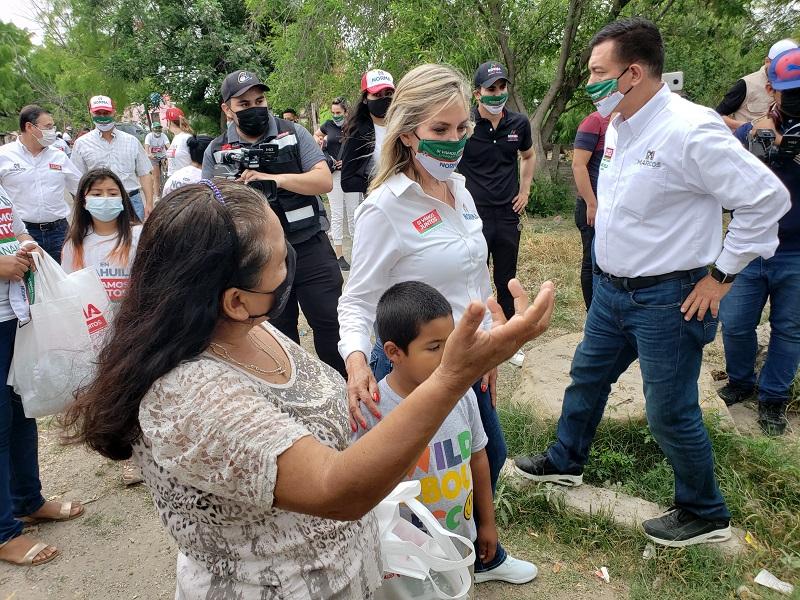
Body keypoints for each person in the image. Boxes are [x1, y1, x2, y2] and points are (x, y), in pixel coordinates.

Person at [61, 178, 555, 598]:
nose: (293, 265)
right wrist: (453, 375)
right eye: (281, 260)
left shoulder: (250, 330)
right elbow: (335, 489)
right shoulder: (191, 395)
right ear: (235, 299)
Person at [514, 18, 791, 548]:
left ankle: (704, 512)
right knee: (586, 376)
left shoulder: (691, 129)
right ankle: (564, 460)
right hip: (612, 292)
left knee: (669, 410)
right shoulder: (621, 123)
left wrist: (721, 276)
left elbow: (767, 200)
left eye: (598, 71)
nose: (589, 81)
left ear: (633, 72)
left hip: (670, 299)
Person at [339, 63, 529, 584]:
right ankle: (418, 571)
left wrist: (489, 339)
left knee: (482, 455)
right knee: (417, 477)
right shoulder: (385, 209)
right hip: (414, 371)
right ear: (408, 134)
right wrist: (356, 362)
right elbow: (356, 301)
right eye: (439, 130)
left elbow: (473, 277)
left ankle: (475, 554)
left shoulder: (461, 191)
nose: (453, 141)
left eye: (461, 128)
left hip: (469, 362)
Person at [356, 281, 538, 595]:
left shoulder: (463, 396)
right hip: (403, 555)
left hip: (458, 539)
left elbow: (478, 459)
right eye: (433, 347)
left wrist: (487, 523)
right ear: (393, 352)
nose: (447, 355)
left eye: (449, 342)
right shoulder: (372, 410)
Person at [202, 70, 346, 376]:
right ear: (227, 108)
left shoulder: (294, 133)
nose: (255, 107)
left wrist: (274, 179)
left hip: (309, 246)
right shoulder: (216, 151)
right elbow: (209, 205)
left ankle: (346, 393)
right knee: (276, 336)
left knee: (331, 323)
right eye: (244, 103)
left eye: (260, 100)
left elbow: (323, 180)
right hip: (258, 255)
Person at [0, 185, 84, 568]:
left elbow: (14, 229)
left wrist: (26, 244)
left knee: (21, 411)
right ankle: (4, 534)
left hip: (13, 314)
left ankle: (27, 501)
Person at [718, 47, 800, 436]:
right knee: (734, 323)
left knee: (789, 329)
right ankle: (740, 381)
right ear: (772, 89)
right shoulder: (756, 131)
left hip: (797, 252)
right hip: (750, 248)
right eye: (791, 91)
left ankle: (773, 399)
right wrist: (757, 139)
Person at [61, 168, 143, 484]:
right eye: (96, 194)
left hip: (134, 327)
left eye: (112, 193)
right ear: (83, 200)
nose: (105, 200)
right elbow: (70, 290)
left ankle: (146, 447)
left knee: (139, 387)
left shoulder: (138, 235)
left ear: (123, 198)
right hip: (96, 331)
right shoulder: (75, 244)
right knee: (111, 394)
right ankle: (127, 453)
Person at [458, 61, 535, 368]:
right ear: (477, 93)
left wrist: (525, 190)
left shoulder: (518, 124)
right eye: (491, 88)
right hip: (471, 215)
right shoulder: (464, 125)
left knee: (506, 277)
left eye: (502, 87)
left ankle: (505, 341)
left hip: (506, 213)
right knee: (472, 275)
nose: (498, 93)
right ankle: (470, 337)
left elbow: (528, 156)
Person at [0, 105, 81, 261]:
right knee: (26, 282)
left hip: (59, 232)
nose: (52, 131)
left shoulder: (59, 156)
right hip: (20, 234)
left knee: (62, 279)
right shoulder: (4, 156)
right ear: (29, 127)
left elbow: (81, 188)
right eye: (48, 127)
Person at [71, 95, 154, 222]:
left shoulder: (131, 141)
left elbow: (144, 173)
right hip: (99, 205)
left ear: (114, 112)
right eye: (98, 113)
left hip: (132, 202)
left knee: (135, 239)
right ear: (91, 112)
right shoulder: (81, 144)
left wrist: (149, 202)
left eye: (106, 112)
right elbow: (77, 179)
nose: (102, 116)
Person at [571, 110, 611, 310]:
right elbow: (578, 165)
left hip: (613, 208)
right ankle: (593, 312)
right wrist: (591, 203)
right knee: (592, 262)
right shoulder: (594, 122)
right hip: (592, 207)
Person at [315, 97, 359, 270]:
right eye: (333, 113)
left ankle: (358, 253)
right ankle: (339, 255)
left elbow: (362, 148)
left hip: (351, 174)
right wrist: (319, 141)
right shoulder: (328, 125)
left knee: (354, 214)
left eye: (338, 113)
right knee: (337, 214)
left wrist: (349, 161)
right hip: (333, 175)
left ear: (346, 112)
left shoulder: (355, 126)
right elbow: (316, 135)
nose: (335, 116)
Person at [716, 39, 798, 132]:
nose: (782, 69)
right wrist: (747, 127)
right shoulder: (746, 84)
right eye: (778, 64)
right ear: (767, 61)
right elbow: (717, 115)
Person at [340, 69, 395, 194]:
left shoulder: (404, 127)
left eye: (388, 93)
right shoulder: (359, 133)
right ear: (365, 99)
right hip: (380, 202)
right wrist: (382, 184)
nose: (384, 98)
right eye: (377, 95)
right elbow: (347, 181)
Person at [144, 122, 170, 199]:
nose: (158, 130)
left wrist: (171, 152)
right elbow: (146, 147)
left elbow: (168, 145)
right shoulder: (149, 136)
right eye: (156, 128)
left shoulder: (164, 136)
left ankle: (168, 190)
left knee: (169, 172)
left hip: (163, 156)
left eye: (159, 128)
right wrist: (148, 154)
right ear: (152, 129)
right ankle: (157, 196)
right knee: (156, 177)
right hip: (153, 157)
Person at [165, 107, 194, 176]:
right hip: (175, 181)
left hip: (186, 181)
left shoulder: (186, 137)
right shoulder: (177, 137)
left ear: (170, 122)